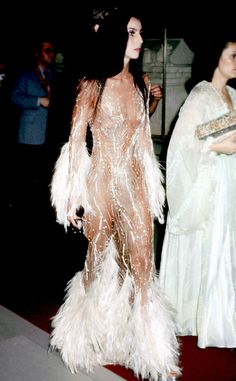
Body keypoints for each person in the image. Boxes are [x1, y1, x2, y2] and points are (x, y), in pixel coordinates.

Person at [50, 8, 180, 381]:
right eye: (132, 33)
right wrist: (71, 196)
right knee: (96, 263)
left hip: (135, 185)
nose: (140, 41)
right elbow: (76, 142)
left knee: (141, 265)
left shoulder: (140, 84)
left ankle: (153, 354)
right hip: (102, 186)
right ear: (114, 37)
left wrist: (152, 190)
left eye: (139, 33)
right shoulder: (93, 84)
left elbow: (141, 139)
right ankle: (83, 338)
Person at [159, 35, 236, 349]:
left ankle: (225, 313)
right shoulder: (201, 95)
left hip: (230, 177)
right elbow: (184, 142)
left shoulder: (232, 94)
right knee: (215, 243)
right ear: (214, 56)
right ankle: (210, 317)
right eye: (233, 54)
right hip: (213, 177)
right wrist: (220, 146)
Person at [11, 36, 55, 203]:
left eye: (53, 50)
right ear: (37, 54)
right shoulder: (26, 75)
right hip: (29, 137)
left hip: (47, 136)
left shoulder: (52, 75)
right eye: (47, 51)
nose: (51, 54)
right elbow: (14, 98)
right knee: (27, 180)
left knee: (42, 180)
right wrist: (39, 100)